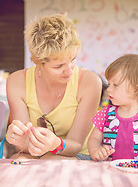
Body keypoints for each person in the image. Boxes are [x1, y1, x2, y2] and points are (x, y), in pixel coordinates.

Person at [6, 13, 102, 160]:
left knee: (51, 161)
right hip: (36, 155)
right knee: (17, 160)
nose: (69, 70)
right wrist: (19, 140)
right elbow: (24, 147)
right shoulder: (17, 82)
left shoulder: (90, 82)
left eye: (73, 59)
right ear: (37, 62)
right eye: (58, 66)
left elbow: (76, 144)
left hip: (78, 155)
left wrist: (55, 144)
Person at [88, 54, 138, 161]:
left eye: (115, 85)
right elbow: (94, 139)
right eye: (109, 84)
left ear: (135, 90)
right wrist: (96, 151)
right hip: (108, 169)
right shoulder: (106, 113)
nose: (108, 89)